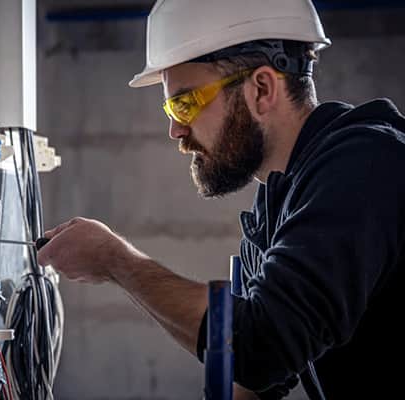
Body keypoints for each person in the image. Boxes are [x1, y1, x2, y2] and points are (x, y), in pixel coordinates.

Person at [37, 0, 405, 398]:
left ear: (262, 88)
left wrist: (117, 261)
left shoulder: (365, 167)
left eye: (185, 103)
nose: (176, 130)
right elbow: (250, 374)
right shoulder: (280, 201)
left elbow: (261, 345)